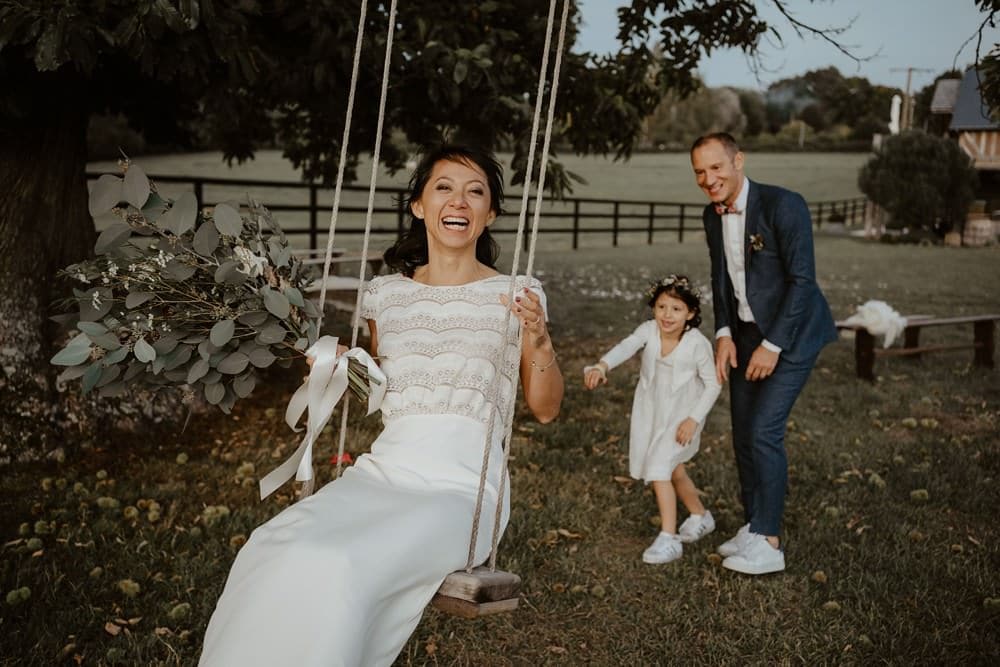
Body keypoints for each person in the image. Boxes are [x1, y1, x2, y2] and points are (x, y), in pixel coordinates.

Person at [199, 145, 564, 666]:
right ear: (418, 205)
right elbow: (383, 390)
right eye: (443, 187)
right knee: (273, 547)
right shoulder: (386, 295)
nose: (458, 200)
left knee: (345, 566)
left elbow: (546, 409)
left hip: (461, 487)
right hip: (383, 473)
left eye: (475, 191)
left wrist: (542, 344)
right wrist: (340, 368)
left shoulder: (517, 295)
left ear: (491, 213)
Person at [690, 132, 837, 575]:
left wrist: (773, 346)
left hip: (793, 332)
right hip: (745, 334)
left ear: (738, 160)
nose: (708, 179)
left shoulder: (783, 205)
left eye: (716, 167)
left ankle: (770, 542)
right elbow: (720, 277)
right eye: (699, 171)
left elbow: (803, 282)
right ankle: (754, 525)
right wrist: (723, 333)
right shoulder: (711, 215)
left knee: (764, 433)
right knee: (741, 435)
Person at [583, 275, 721, 564]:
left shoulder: (697, 344)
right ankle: (700, 515)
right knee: (674, 469)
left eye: (676, 309)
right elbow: (627, 345)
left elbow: (713, 385)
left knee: (659, 468)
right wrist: (602, 365)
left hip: (683, 416)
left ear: (691, 314)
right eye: (661, 307)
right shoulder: (649, 331)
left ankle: (669, 538)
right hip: (652, 411)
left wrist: (693, 420)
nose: (667, 315)